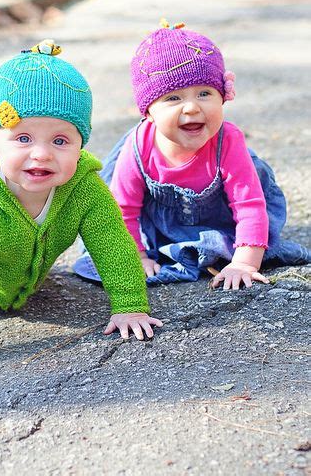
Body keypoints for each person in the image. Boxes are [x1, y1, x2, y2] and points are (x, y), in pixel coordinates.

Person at [0, 40, 162, 372]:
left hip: (10, 232)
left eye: (60, 141)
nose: (42, 154)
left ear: (80, 144)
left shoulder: (85, 188)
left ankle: (7, 268)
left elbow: (113, 245)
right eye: (23, 138)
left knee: (16, 279)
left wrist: (130, 305)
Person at [74, 21, 310, 289]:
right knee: (105, 256)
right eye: (173, 98)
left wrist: (244, 262)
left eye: (204, 93)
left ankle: (222, 250)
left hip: (224, 227)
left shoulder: (228, 140)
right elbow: (123, 209)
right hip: (160, 231)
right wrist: (136, 256)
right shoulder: (138, 146)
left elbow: (249, 205)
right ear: (148, 112)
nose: (192, 107)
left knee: (253, 249)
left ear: (222, 97)